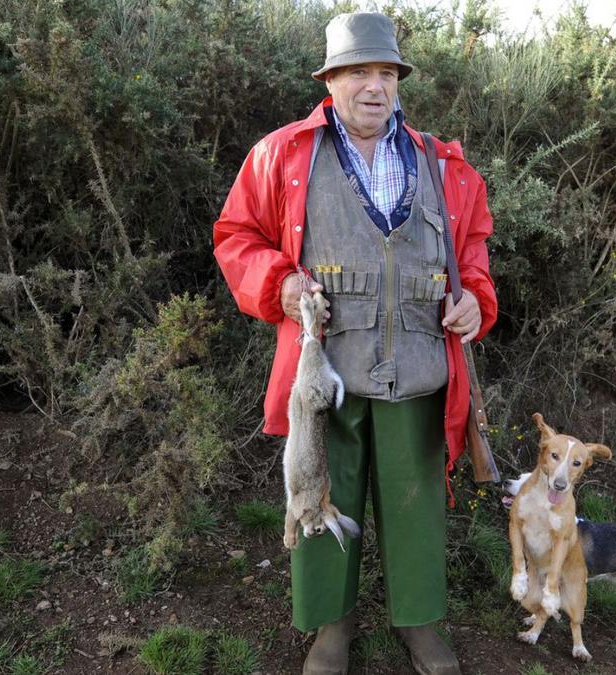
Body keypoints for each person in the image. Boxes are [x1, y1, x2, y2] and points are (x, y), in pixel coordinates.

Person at [212, 12, 497, 675]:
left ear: (398, 81)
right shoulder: (281, 155)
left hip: (421, 369)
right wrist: (279, 283)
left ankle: (422, 624)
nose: (375, 87)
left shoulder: (444, 164)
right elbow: (236, 237)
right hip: (325, 374)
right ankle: (330, 629)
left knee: (416, 504)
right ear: (331, 79)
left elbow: (474, 247)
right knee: (319, 494)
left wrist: (473, 301)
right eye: (360, 73)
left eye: (387, 74)